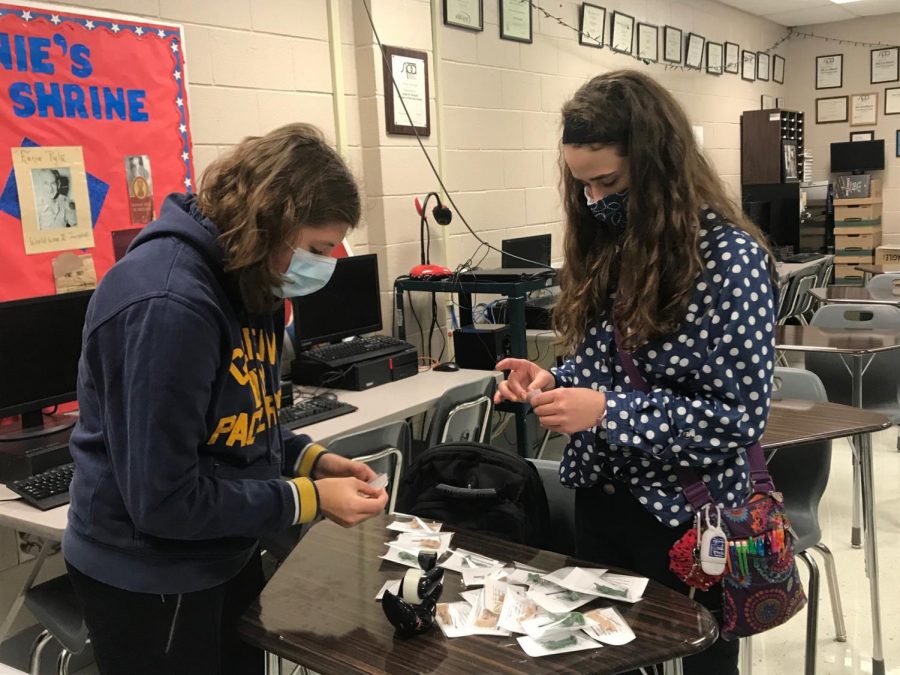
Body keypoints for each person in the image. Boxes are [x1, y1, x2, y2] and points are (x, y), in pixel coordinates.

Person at [64, 123, 388, 675]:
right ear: (273, 219)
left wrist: (310, 458)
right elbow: (163, 501)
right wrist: (308, 498)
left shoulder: (251, 274)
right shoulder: (169, 304)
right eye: (318, 249)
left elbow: (237, 420)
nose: (325, 266)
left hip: (220, 549)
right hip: (150, 576)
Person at [495, 71, 776, 675]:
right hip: (605, 503)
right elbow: (607, 364)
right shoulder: (611, 243)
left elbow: (739, 417)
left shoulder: (731, 260)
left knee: (694, 663)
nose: (596, 199)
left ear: (658, 165)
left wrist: (604, 412)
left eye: (609, 182)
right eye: (584, 185)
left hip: (688, 520)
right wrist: (554, 379)